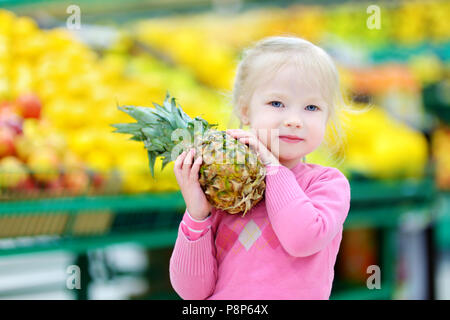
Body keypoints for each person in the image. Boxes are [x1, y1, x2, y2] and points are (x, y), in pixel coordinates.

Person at [169, 35, 353, 300]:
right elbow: (192, 292)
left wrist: (272, 168)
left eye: (311, 107)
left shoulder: (327, 184)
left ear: (328, 117)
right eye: (277, 103)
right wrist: (197, 215)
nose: (293, 120)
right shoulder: (223, 189)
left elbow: (302, 239)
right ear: (245, 110)